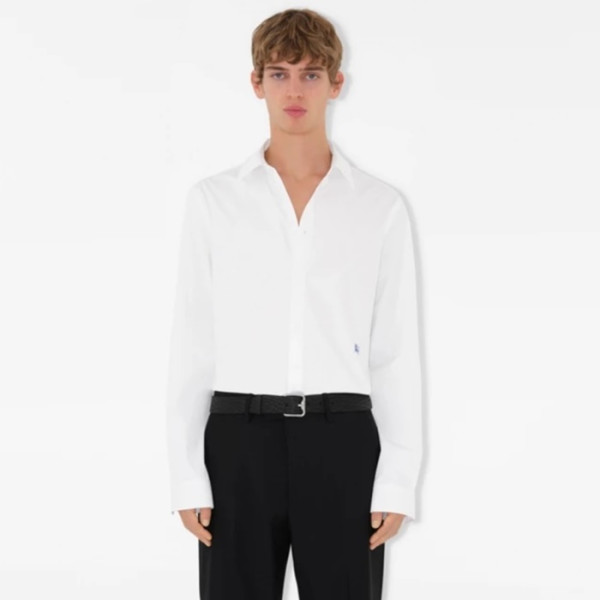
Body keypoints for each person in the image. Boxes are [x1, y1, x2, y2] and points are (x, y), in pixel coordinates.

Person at [165, 8, 423, 600]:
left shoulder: (378, 207)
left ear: (337, 83)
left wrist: (397, 480)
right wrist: (186, 475)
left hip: (343, 443)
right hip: (237, 443)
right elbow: (193, 342)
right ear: (256, 83)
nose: (295, 90)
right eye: (279, 74)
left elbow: (394, 352)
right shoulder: (214, 202)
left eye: (310, 74)